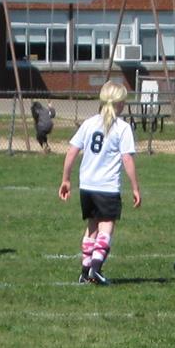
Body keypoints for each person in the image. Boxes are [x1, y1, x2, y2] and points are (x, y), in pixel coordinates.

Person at [58, 77, 142, 285]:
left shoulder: (89, 123)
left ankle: (85, 272)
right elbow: (127, 158)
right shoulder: (122, 127)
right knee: (106, 228)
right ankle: (95, 270)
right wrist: (135, 187)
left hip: (87, 186)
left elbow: (71, 151)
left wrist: (66, 179)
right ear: (120, 103)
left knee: (92, 228)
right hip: (107, 186)